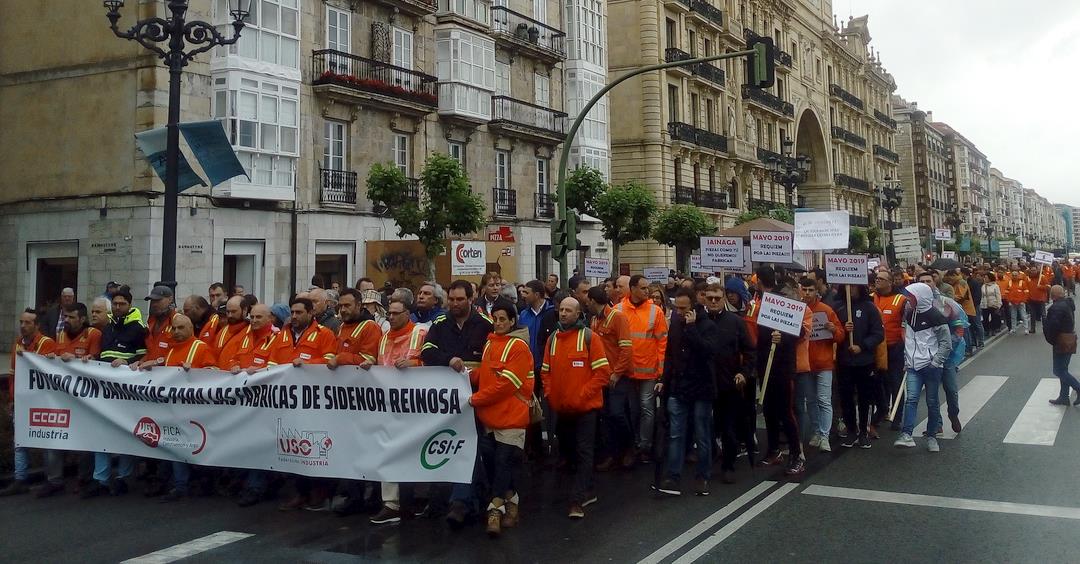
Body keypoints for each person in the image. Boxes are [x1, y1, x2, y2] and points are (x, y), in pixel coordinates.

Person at [420, 280, 494, 528]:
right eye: (451, 299)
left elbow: (493, 359)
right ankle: (461, 501)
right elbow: (427, 351)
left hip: (477, 400)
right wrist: (447, 359)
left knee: (474, 449)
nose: (454, 304)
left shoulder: (485, 326)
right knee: (455, 448)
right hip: (447, 403)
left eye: (459, 299)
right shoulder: (440, 324)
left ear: (471, 299)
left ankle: (467, 500)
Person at [540, 297, 611, 519]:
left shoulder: (590, 338)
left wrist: (582, 396)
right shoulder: (552, 339)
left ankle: (577, 499)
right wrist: (551, 395)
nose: (563, 314)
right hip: (562, 409)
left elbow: (602, 374)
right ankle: (586, 489)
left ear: (578, 314)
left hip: (585, 409)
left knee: (584, 451)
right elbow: (545, 372)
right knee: (569, 452)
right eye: (561, 310)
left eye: (568, 310)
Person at [468, 302, 534, 537]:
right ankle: (512, 502)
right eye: (495, 318)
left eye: (502, 319)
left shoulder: (518, 347)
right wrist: (467, 374)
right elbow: (486, 374)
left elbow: (507, 385)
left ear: (512, 321)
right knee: (496, 466)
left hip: (511, 417)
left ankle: (494, 509)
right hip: (490, 418)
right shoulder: (490, 343)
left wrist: (475, 399)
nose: (498, 323)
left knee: (503, 463)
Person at [275, 297, 338, 511]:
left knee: (316, 448)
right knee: (293, 449)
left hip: (314, 402)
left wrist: (308, 364)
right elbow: (272, 364)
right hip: (289, 402)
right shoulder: (283, 335)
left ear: (310, 314)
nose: (294, 316)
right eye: (292, 312)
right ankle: (301, 492)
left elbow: (330, 361)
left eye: (299, 312)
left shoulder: (324, 334)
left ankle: (320, 492)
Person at [657, 289, 720, 497]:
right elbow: (670, 355)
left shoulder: (708, 325)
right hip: (679, 386)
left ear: (693, 307)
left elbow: (708, 351)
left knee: (702, 433)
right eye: (677, 308)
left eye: (683, 309)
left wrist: (692, 329)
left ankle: (703, 475)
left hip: (701, 387)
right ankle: (673, 475)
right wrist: (664, 380)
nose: (679, 312)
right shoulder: (675, 324)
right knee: (676, 433)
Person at [752, 266, 810, 475]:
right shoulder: (758, 302)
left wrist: (783, 337)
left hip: (783, 366)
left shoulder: (784, 300)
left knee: (786, 411)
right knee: (769, 409)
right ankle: (774, 449)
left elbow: (801, 331)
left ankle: (797, 454)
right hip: (765, 364)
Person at [153, 314, 217, 502]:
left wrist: (196, 372)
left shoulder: (201, 347)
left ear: (191, 329)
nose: (176, 332)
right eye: (174, 328)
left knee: (197, 448)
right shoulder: (171, 351)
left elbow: (216, 375)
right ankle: (180, 485)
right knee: (175, 445)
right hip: (174, 409)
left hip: (196, 411)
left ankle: (203, 482)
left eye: (181, 328)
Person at [0, 309, 58, 497]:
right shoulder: (17, 343)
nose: (23, 326)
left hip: (42, 402)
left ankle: (53, 480)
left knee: (48, 440)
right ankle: (20, 479)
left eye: (27, 323)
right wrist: (12, 398)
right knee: (20, 441)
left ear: (37, 325)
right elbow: (13, 375)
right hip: (23, 400)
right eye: (21, 322)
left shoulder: (46, 343)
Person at [701, 282, 755, 483]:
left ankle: (729, 464)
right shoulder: (699, 320)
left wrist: (744, 373)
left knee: (729, 427)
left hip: (728, 383)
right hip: (704, 383)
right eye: (710, 298)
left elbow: (749, 351)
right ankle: (707, 462)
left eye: (717, 298)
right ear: (704, 299)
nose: (713, 302)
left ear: (723, 298)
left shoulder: (735, 322)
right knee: (705, 426)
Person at [616, 275, 669, 465]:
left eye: (647, 288)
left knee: (647, 409)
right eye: (644, 288)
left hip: (648, 370)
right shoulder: (619, 310)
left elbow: (662, 342)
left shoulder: (655, 312)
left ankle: (644, 446)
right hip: (628, 371)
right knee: (633, 410)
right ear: (633, 289)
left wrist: (661, 370)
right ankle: (634, 443)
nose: (647, 291)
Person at [894, 283, 952, 452]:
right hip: (913, 366)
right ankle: (907, 434)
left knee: (932, 402)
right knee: (911, 400)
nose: (908, 299)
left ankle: (932, 436)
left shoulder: (936, 316)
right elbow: (910, 341)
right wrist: (907, 360)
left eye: (911, 296)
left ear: (920, 297)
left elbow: (946, 344)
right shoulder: (910, 314)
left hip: (931, 367)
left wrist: (935, 362)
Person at [585, 286, 634, 471]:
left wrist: (617, 373)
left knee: (616, 413)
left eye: (588, 301)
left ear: (592, 301)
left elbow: (626, 348)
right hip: (602, 376)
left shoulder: (617, 317)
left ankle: (629, 448)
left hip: (617, 376)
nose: (586, 304)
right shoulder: (594, 320)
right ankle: (613, 454)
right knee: (605, 416)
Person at [835, 284, 885, 449]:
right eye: (848, 287)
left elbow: (878, 333)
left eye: (854, 287)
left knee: (865, 398)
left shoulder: (870, 308)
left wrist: (862, 346)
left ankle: (863, 431)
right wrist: (842, 329)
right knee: (846, 397)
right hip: (844, 361)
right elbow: (832, 332)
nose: (851, 290)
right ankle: (851, 430)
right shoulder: (838, 307)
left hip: (865, 361)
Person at [800, 277, 844, 452]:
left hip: (824, 363)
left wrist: (834, 330)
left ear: (816, 291)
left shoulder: (826, 310)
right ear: (800, 291)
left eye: (811, 290)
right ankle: (817, 431)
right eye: (805, 290)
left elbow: (840, 336)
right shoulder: (798, 310)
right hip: (806, 364)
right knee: (810, 400)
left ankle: (825, 436)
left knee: (824, 400)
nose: (808, 293)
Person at [872, 271, 908, 430]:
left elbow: (906, 325)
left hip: (894, 348)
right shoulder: (871, 297)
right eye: (877, 278)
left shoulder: (901, 300)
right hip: (875, 348)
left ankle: (898, 417)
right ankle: (881, 412)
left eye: (881, 279)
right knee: (878, 384)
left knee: (895, 383)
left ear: (890, 282)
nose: (877, 281)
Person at [1043, 285, 1080, 405]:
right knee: (1063, 369)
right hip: (1069, 339)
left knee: (1058, 371)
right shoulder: (1067, 304)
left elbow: (1053, 327)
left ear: (1052, 295)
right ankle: (1063, 397)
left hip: (1061, 341)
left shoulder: (1056, 308)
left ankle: (1078, 388)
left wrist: (1050, 338)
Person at [327, 288, 381, 369]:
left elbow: (367, 360)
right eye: (340, 306)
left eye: (347, 305)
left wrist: (340, 358)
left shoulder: (370, 327)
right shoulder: (342, 326)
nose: (343, 310)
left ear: (358, 305)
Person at [135, 285, 177, 369]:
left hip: (169, 376)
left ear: (170, 299)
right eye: (152, 301)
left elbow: (184, 352)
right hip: (150, 376)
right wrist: (141, 361)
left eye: (158, 300)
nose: (154, 304)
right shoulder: (151, 322)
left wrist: (157, 362)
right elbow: (152, 350)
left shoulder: (178, 321)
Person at [1027, 267, 1051, 335]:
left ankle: (1045, 329)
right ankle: (1032, 328)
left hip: (1041, 299)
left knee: (1043, 315)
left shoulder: (1042, 277)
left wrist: (1040, 286)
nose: (1033, 271)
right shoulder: (1028, 278)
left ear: (1037, 270)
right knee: (1032, 314)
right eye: (1031, 270)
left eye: (1034, 270)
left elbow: (1048, 287)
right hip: (1031, 299)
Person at [980, 271, 1003, 336]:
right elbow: (982, 296)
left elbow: (998, 296)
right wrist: (981, 304)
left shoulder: (995, 286)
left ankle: (993, 330)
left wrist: (999, 305)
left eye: (986, 278)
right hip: (985, 305)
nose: (985, 279)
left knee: (994, 318)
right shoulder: (983, 286)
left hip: (993, 304)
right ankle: (987, 330)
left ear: (990, 278)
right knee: (985, 318)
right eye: (984, 278)